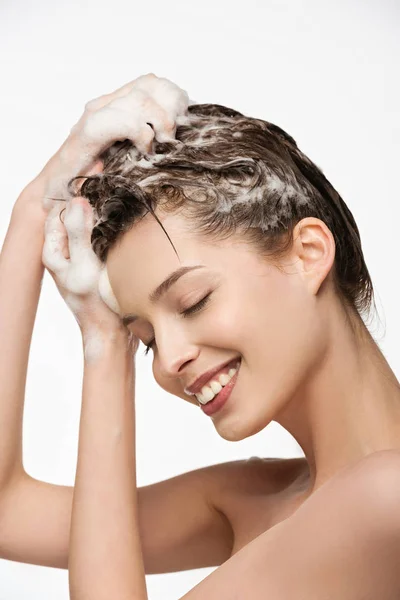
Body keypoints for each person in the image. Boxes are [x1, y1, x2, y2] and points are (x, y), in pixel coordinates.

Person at [1, 74, 400, 599]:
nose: (168, 360)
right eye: (146, 339)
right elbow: (7, 511)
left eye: (193, 301)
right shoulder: (258, 499)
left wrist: (106, 349)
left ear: (308, 254)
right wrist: (35, 209)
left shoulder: (386, 498)